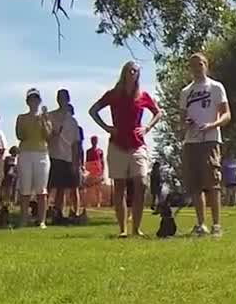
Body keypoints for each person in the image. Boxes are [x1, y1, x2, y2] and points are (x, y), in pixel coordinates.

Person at [89, 61, 162, 238]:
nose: (132, 73)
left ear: (138, 75)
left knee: (141, 183)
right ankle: (123, 229)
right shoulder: (114, 94)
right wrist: (107, 127)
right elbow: (93, 110)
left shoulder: (143, 95)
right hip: (117, 145)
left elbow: (158, 112)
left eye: (135, 71)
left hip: (138, 144)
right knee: (120, 186)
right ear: (123, 72)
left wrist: (147, 128)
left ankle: (136, 229)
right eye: (129, 70)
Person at [178, 52, 231, 237]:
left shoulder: (216, 87)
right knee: (195, 184)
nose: (196, 68)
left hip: (210, 139)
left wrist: (212, 125)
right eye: (192, 65)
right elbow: (181, 118)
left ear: (206, 65)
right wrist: (186, 123)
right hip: (191, 141)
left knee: (213, 182)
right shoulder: (186, 92)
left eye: (199, 64)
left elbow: (226, 115)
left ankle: (217, 225)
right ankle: (201, 224)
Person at [14, 88, 53, 229]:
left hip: (41, 154)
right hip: (25, 154)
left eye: (36, 99)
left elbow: (48, 135)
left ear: (39, 101)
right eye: (31, 99)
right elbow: (20, 135)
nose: (34, 102)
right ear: (27, 102)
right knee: (25, 188)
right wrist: (31, 120)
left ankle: (41, 220)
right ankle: (24, 219)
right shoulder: (21, 118)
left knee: (41, 190)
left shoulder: (45, 118)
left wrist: (44, 121)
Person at [46, 89, 82, 224]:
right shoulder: (50, 116)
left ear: (68, 100)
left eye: (64, 98)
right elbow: (45, 135)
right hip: (51, 154)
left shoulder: (72, 121)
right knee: (49, 186)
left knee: (62, 187)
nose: (62, 100)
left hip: (66, 157)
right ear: (57, 99)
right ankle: (43, 211)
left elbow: (75, 143)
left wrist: (75, 162)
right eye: (60, 97)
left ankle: (58, 211)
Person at [83, 135, 105, 209]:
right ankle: (88, 202)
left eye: (95, 140)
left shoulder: (100, 151)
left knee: (98, 188)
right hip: (90, 170)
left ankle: (98, 203)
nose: (94, 142)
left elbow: (102, 161)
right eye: (93, 140)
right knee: (89, 187)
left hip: (98, 170)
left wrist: (102, 172)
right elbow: (87, 161)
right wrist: (86, 170)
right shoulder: (88, 151)